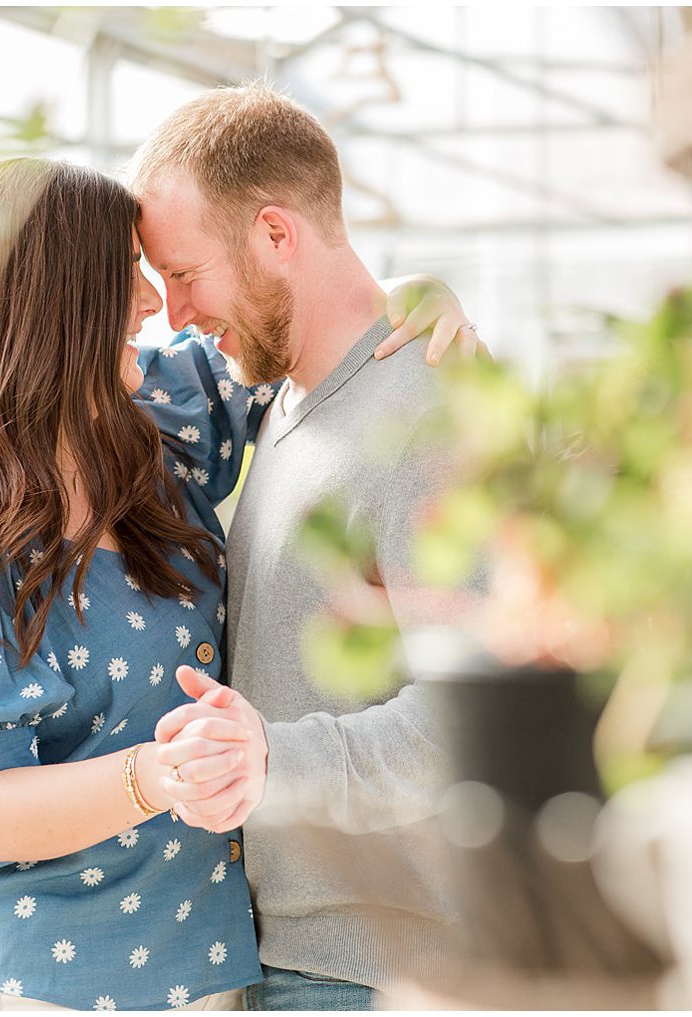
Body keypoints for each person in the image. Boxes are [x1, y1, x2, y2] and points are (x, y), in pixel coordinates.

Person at [0, 158, 476, 1011]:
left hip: (213, 972)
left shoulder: (161, 418)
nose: (155, 302)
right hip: (43, 987)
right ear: (56, 303)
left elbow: (292, 317)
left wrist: (413, 295)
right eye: (126, 274)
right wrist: (163, 774)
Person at [128, 85, 490, 1010]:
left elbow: (477, 720)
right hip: (284, 957)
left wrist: (269, 759)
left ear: (276, 236)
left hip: (369, 969)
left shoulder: (426, 414)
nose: (171, 313)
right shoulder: (281, 404)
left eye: (185, 273)